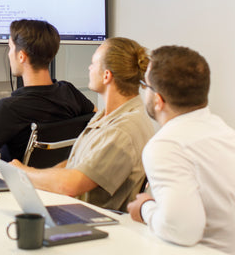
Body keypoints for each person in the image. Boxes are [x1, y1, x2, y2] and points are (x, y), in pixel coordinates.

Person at [10, 37, 156, 211]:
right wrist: (39, 177)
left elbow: (71, 185)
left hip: (93, 217)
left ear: (106, 75)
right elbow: (76, 164)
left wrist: (23, 173)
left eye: (93, 63)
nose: (89, 68)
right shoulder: (107, 114)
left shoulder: (122, 130)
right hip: (77, 209)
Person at [127, 46, 235, 253]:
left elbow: (182, 231)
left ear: (158, 100)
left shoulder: (165, 146)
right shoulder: (224, 131)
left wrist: (145, 208)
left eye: (145, 86)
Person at [0, 19, 95, 166]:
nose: (9, 54)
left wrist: (4, 166)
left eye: (10, 48)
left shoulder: (8, 109)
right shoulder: (70, 92)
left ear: (21, 56)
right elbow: (99, 121)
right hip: (61, 177)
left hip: (19, 180)